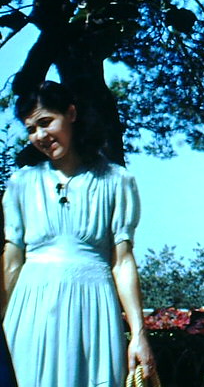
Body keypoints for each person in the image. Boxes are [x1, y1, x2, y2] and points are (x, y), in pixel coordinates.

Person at [2, 81, 155, 387]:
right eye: (31, 129)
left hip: (93, 310)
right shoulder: (21, 184)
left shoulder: (117, 181)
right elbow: (11, 262)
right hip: (31, 310)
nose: (40, 137)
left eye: (46, 122)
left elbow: (122, 263)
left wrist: (138, 334)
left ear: (71, 113)